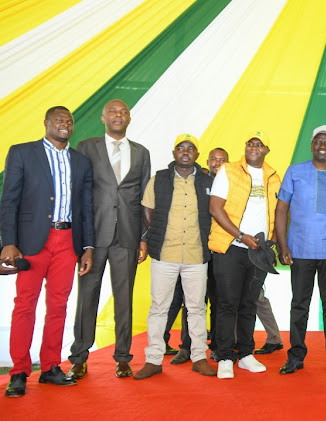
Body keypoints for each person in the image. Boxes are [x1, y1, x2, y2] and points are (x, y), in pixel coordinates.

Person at [1, 106, 94, 398]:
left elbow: (86, 208)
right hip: (30, 242)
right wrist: (8, 241)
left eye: (68, 121)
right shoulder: (22, 153)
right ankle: (18, 371)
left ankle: (52, 366)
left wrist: (88, 246)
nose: (64, 124)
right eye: (58, 120)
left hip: (67, 241)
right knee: (24, 305)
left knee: (59, 306)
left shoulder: (80, 162)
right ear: (46, 123)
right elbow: (9, 200)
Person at [68, 99, 151, 379]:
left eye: (123, 112)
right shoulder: (86, 147)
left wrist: (143, 237)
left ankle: (123, 357)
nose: (118, 115)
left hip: (127, 236)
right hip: (93, 238)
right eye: (113, 112)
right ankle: (79, 356)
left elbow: (143, 199)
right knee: (87, 297)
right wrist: (81, 238)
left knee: (124, 298)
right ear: (103, 118)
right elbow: (78, 194)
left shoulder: (141, 153)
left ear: (129, 118)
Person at [133, 134, 216, 379]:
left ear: (197, 155)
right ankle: (153, 359)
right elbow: (147, 209)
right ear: (174, 153)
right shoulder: (158, 179)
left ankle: (199, 357)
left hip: (196, 254)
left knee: (197, 308)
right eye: (181, 148)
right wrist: (156, 233)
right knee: (159, 307)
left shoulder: (207, 181)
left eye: (191, 149)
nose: (186, 152)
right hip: (165, 254)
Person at [275, 125, 326, 375]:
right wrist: (283, 244)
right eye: (318, 141)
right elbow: (281, 209)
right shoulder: (295, 172)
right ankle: (296, 355)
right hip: (300, 249)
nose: (322, 145)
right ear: (312, 145)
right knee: (299, 304)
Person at [208, 130, 281, 379]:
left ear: (266, 150)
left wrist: (275, 245)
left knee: (249, 304)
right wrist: (240, 236)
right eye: (250, 143)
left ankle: (246, 354)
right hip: (230, 247)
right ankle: (226, 356)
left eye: (259, 144)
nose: (253, 147)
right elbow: (215, 208)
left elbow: (279, 214)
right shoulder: (227, 171)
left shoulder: (273, 177)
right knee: (227, 304)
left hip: (259, 251)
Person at [166, 147, 229, 364]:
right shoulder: (198, 181)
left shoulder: (232, 184)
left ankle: (219, 346)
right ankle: (187, 346)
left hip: (221, 252)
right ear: (207, 161)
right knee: (191, 301)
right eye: (214, 159)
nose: (217, 163)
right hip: (197, 251)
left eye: (222, 160)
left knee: (219, 302)